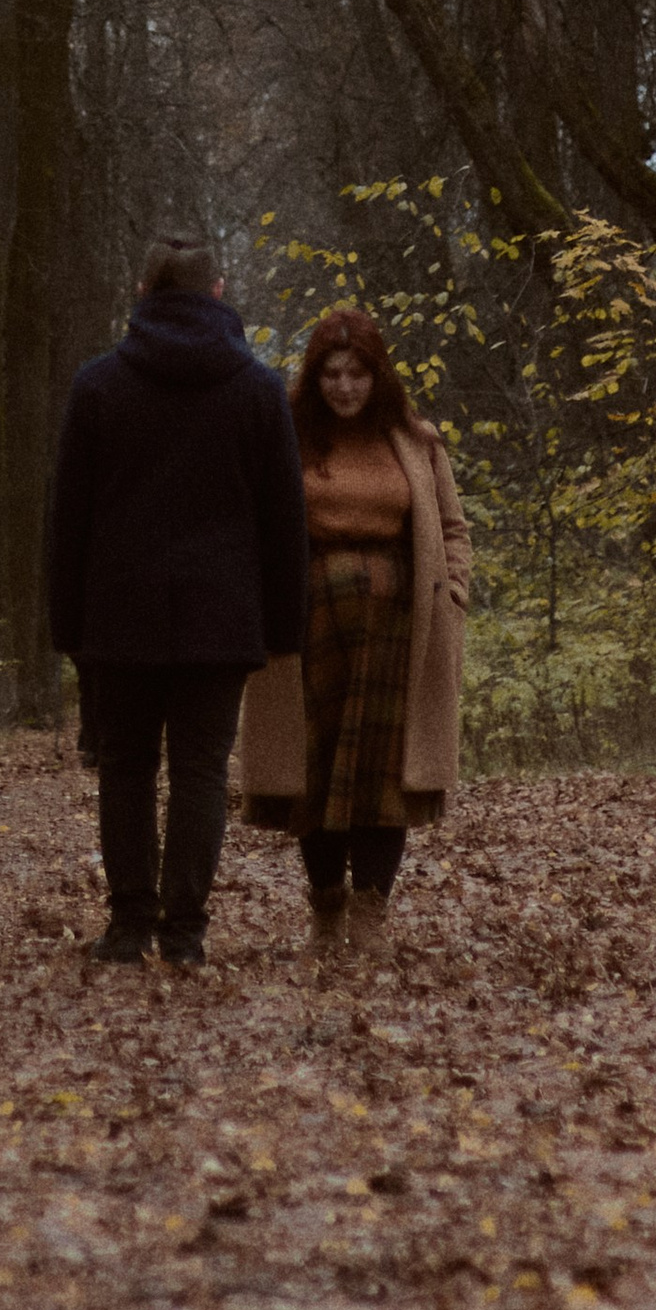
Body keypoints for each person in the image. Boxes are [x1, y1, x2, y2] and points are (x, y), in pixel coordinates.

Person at [46, 232, 307, 968]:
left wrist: (67, 625)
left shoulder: (99, 386)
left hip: (118, 613)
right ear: (218, 293)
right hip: (221, 618)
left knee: (126, 767)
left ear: (142, 294)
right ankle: (185, 932)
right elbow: (283, 520)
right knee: (200, 772)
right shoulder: (258, 390)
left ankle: (130, 925)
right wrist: (285, 627)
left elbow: (68, 520)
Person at [238, 304, 471, 951]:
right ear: (314, 378)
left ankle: (371, 912)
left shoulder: (416, 441)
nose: (344, 386)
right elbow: (257, 523)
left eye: (357, 374)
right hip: (310, 630)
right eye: (332, 374)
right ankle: (326, 909)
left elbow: (453, 528)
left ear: (378, 376)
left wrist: (453, 593)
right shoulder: (289, 438)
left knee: (383, 775)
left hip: (400, 634)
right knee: (316, 772)